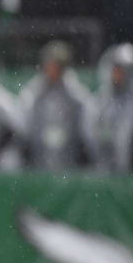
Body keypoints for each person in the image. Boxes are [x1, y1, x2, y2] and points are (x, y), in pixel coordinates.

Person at [19, 40, 94, 171]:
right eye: (50, 65)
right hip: (39, 155)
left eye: (57, 66)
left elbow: (87, 119)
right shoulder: (33, 91)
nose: (53, 70)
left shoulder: (75, 92)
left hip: (69, 154)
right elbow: (25, 123)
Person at [89, 43, 133, 173]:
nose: (118, 75)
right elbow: (89, 134)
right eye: (115, 70)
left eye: (122, 71)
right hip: (104, 169)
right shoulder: (99, 100)